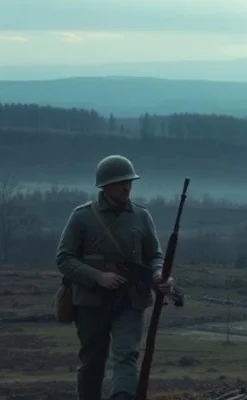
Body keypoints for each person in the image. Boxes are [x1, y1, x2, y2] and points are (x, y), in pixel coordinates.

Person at [55, 154, 175, 400]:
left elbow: (154, 255)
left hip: (131, 299)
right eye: (121, 182)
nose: (127, 187)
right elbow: (64, 259)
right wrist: (97, 276)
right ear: (105, 185)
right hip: (91, 301)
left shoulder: (141, 216)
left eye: (129, 181)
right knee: (92, 361)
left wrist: (158, 274)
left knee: (126, 354)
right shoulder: (82, 217)